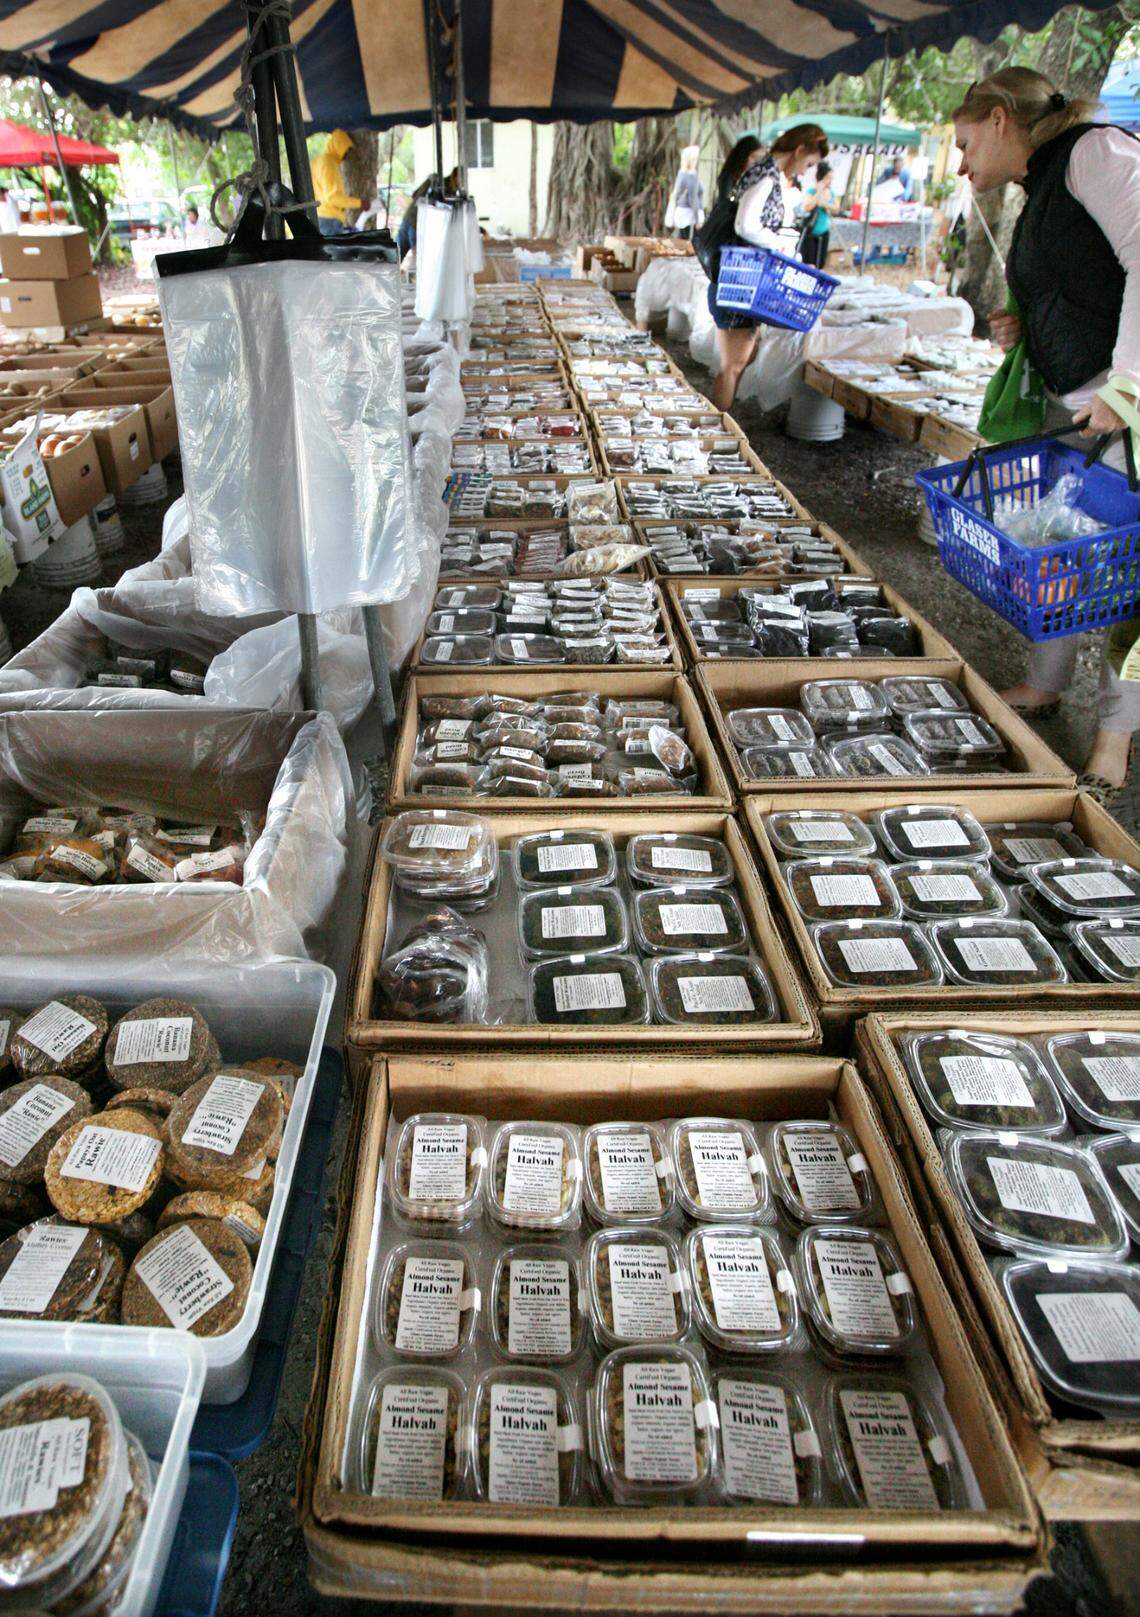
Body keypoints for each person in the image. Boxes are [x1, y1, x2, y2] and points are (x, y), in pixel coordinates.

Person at [952, 67, 1139, 803]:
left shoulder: (1096, 154)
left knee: (1130, 581)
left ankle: (1113, 741)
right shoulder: (1043, 185)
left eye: (966, 144)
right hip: (1086, 404)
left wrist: (1128, 384)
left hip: (1123, 405)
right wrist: (1026, 326)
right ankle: (1046, 683)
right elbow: (1091, 282)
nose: (963, 165)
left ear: (1000, 119)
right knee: (1064, 550)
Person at [707, 123, 829, 414]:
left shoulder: (768, 174)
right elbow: (745, 225)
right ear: (799, 150)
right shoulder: (765, 176)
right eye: (808, 163)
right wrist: (779, 245)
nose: (804, 172)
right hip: (739, 282)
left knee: (740, 361)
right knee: (732, 366)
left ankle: (717, 428)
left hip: (747, 282)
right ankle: (710, 434)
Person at [397, 168, 460, 261]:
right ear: (455, 176)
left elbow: (414, 194)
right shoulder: (445, 188)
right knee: (418, 259)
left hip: (408, 217)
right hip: (416, 223)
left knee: (398, 254)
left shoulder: (438, 183)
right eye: (461, 178)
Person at [312, 129, 361, 236]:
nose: (346, 155)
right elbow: (333, 198)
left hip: (318, 216)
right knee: (336, 253)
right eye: (346, 150)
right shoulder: (329, 163)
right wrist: (361, 203)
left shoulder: (318, 161)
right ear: (338, 146)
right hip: (330, 219)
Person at [666, 144, 704, 241]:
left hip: (683, 213)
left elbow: (677, 193)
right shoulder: (691, 176)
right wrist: (697, 220)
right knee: (690, 244)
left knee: (683, 241)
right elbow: (692, 198)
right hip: (689, 216)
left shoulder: (681, 173)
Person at [799, 160, 833, 268]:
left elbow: (836, 208)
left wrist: (824, 203)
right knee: (809, 263)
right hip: (811, 231)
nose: (830, 181)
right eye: (828, 178)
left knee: (820, 263)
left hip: (824, 231)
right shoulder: (811, 191)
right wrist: (818, 191)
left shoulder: (830, 193)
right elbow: (808, 206)